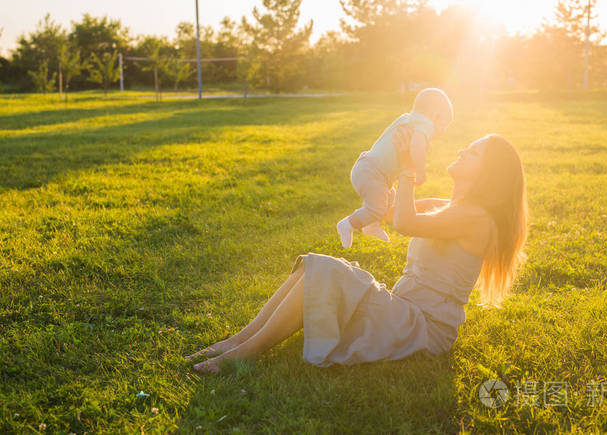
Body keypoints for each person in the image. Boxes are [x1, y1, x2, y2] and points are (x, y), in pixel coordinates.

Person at [187, 128, 528, 373]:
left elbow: (405, 224)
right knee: (314, 267)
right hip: (404, 309)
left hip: (424, 326)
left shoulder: (476, 219)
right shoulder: (446, 206)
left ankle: (243, 354)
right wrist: (385, 166)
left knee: (329, 271)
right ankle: (238, 340)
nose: (461, 151)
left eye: (473, 152)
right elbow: (392, 212)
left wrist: (410, 169)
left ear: (489, 172)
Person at [336, 88, 454, 248]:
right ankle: (347, 224)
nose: (443, 131)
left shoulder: (407, 119)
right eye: (445, 126)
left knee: (389, 200)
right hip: (373, 172)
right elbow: (416, 146)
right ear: (436, 116)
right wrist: (420, 171)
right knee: (377, 207)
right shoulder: (425, 123)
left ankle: (371, 225)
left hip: (369, 168)